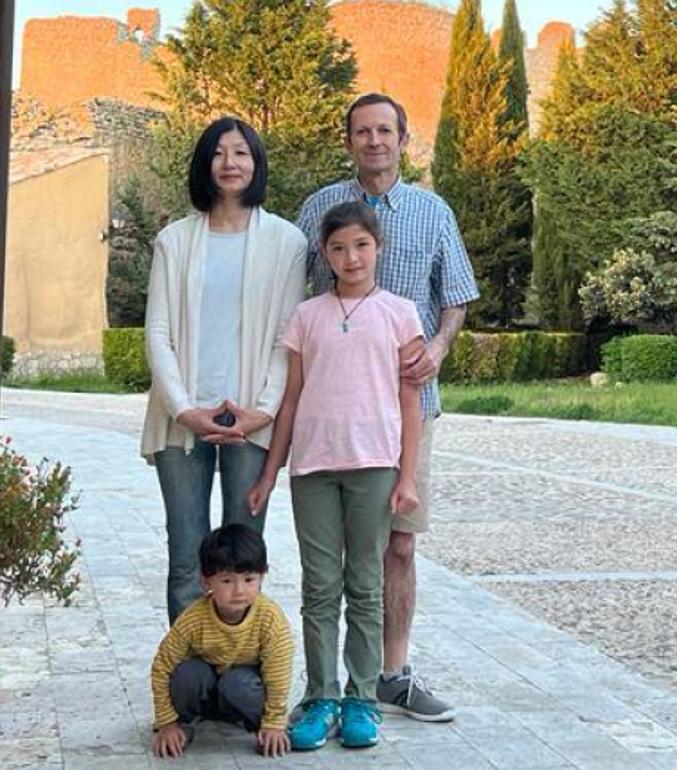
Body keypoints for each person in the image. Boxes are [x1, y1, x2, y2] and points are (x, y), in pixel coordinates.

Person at [296, 94, 478, 721]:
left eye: (384, 130)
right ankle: (328, 688)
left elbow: (455, 296)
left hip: (408, 405)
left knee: (398, 546)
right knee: (330, 560)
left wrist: (439, 346)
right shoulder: (319, 209)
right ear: (347, 140)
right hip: (334, 414)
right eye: (361, 131)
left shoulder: (433, 211)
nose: (373, 140)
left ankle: (390, 675)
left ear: (404, 138)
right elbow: (291, 298)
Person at [247, 202, 423, 751]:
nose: (351, 257)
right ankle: (321, 695)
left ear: (379, 248)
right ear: (326, 254)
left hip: (374, 467)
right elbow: (291, 400)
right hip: (314, 470)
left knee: (365, 586)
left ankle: (361, 699)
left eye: (361, 246)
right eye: (340, 248)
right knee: (319, 588)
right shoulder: (307, 316)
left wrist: (407, 476)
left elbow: (410, 402)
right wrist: (270, 473)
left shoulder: (400, 313)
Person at [142, 117, 308, 625]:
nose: (230, 163)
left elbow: (288, 336)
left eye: (241, 153)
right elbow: (158, 334)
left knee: (243, 559)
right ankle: (191, 680)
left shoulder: (286, 242)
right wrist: (185, 410)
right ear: (204, 164)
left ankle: (240, 680)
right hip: (182, 421)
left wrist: (263, 410)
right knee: (187, 559)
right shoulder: (175, 240)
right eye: (218, 152)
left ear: (255, 164)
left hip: (251, 422)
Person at [149, 524, 294, 759]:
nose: (239, 590)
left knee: (238, 684)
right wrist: (166, 722)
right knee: (186, 674)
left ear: (262, 577)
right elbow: (162, 667)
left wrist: (274, 723)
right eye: (227, 581)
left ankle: (254, 726)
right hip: (208, 685)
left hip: (243, 685)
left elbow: (278, 672)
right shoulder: (193, 619)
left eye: (249, 580)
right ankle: (185, 723)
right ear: (206, 583)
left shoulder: (270, 618)